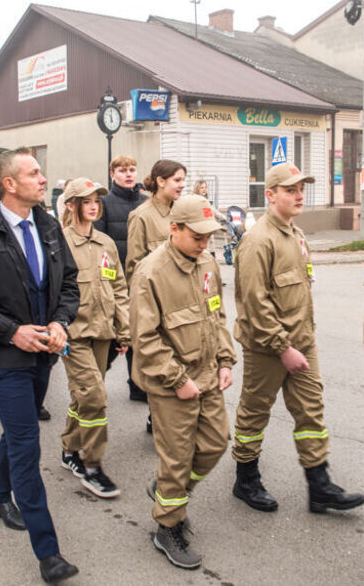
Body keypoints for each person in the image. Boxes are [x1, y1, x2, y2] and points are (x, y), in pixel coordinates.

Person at [0, 147, 80, 584]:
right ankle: (49, 552)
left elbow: (70, 284)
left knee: (17, 428)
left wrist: (60, 321)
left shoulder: (48, 225)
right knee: (26, 443)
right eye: (35, 173)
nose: (44, 180)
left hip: (45, 351)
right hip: (4, 357)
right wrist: (11, 331)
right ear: (9, 183)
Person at [230, 162, 364, 515]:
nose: (299, 195)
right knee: (254, 413)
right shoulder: (258, 240)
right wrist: (283, 347)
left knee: (311, 411)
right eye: (290, 189)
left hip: (300, 343)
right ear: (270, 195)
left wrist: (306, 338)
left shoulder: (296, 234)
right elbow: (255, 305)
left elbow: (301, 293)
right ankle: (245, 479)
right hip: (268, 347)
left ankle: (319, 486)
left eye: (301, 188)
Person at [130, 194, 235, 570]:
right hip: (171, 383)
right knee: (176, 458)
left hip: (207, 374)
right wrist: (177, 380)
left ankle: (167, 493)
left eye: (210, 236)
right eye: (197, 236)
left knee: (215, 444)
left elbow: (216, 316)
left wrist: (225, 360)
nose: (205, 244)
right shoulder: (150, 272)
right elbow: (145, 339)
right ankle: (167, 525)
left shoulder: (207, 262)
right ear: (174, 229)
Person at [58, 178, 130, 498]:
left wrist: (124, 329)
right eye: (86, 200)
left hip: (102, 331)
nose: (94, 205)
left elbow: (119, 289)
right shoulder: (59, 243)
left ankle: (69, 449)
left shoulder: (106, 243)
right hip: (74, 334)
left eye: (97, 201)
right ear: (72, 205)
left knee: (84, 396)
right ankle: (91, 466)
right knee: (96, 398)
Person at [125, 159, 187, 432]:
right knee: (162, 361)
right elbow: (134, 267)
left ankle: (174, 416)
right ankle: (158, 416)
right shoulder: (142, 216)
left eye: (184, 179)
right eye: (177, 180)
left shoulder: (184, 211)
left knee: (185, 360)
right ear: (160, 181)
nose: (182, 185)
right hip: (158, 303)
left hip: (185, 301)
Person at [95, 155, 148, 402]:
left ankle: (137, 385)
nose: (128, 174)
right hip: (116, 282)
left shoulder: (146, 202)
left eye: (132, 169)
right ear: (112, 174)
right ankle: (93, 380)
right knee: (115, 337)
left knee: (140, 335)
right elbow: (100, 245)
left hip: (142, 280)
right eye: (123, 170)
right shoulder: (104, 203)